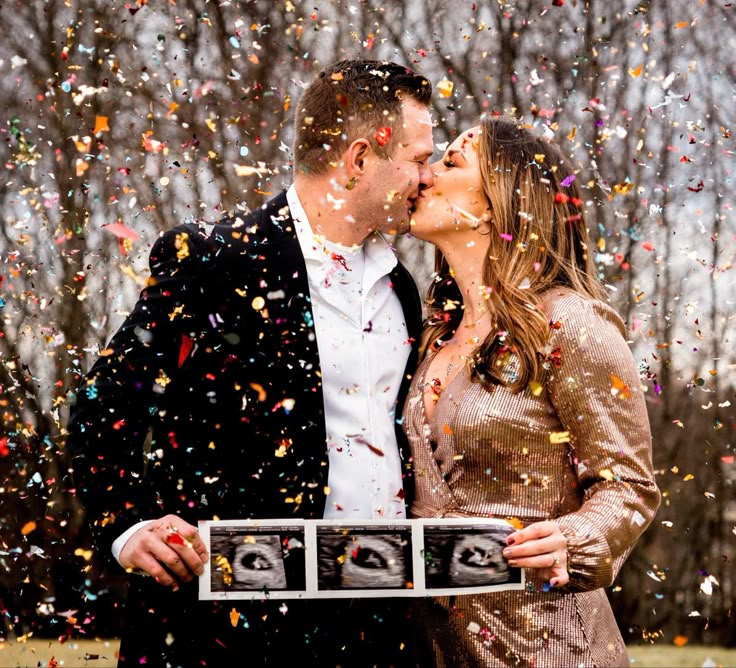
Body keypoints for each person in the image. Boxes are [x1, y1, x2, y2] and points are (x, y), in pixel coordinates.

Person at [66, 58, 435, 667]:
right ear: (361, 159)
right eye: (419, 158)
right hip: (230, 629)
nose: (427, 176)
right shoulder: (214, 263)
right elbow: (103, 408)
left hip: (380, 623)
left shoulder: (402, 288)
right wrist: (127, 528)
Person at [403, 116, 661, 667]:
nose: (424, 176)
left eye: (450, 162)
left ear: (502, 199)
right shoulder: (430, 338)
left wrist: (575, 539)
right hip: (440, 650)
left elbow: (631, 487)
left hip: (554, 646)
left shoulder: (571, 324)